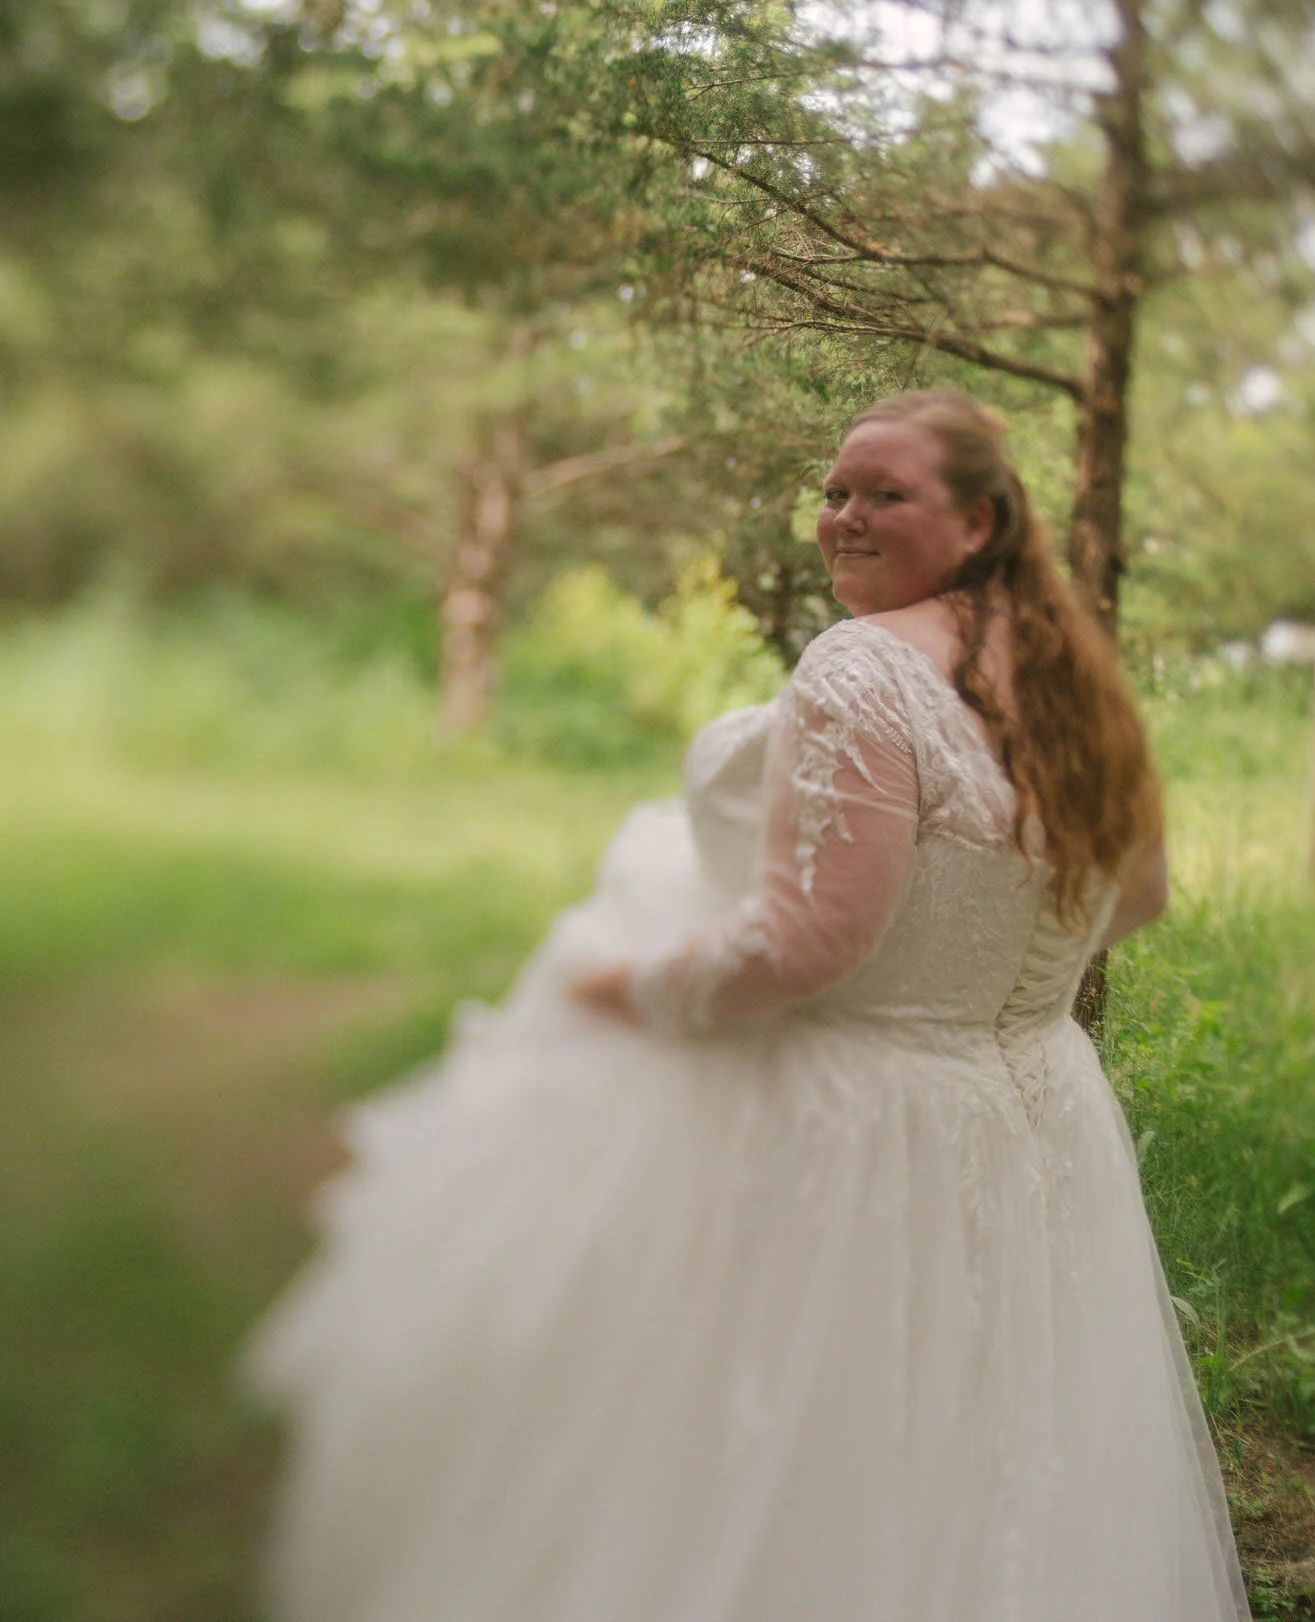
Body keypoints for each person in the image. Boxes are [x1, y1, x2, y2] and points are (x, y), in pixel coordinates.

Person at [245, 387, 1250, 1622]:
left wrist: (630, 986)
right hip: (1041, 1112)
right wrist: (1001, 987)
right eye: (834, 491)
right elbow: (1136, 893)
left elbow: (814, 942)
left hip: (866, 1115)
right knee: (1002, 1436)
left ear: (982, 519)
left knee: (814, 1449)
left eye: (886, 493)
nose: (843, 516)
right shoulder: (1075, 678)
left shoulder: (865, 667)